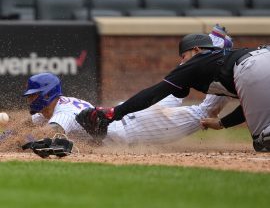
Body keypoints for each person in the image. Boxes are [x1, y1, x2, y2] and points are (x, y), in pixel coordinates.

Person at [23, 26, 234, 146]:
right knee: (177, 89)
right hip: (126, 115)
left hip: (138, 126)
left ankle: (216, 51)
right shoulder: (48, 110)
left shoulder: (63, 112)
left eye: (34, 95)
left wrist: (24, 141)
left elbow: (52, 131)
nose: (31, 99)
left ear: (47, 94)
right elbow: (27, 124)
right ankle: (213, 47)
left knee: (204, 112)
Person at [76, 27, 270, 152]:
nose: (182, 62)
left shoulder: (196, 62)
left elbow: (154, 94)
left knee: (263, 141)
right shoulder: (220, 59)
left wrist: (113, 113)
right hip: (261, 58)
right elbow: (249, 106)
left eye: (183, 55)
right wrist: (222, 124)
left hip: (251, 67)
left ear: (196, 50)